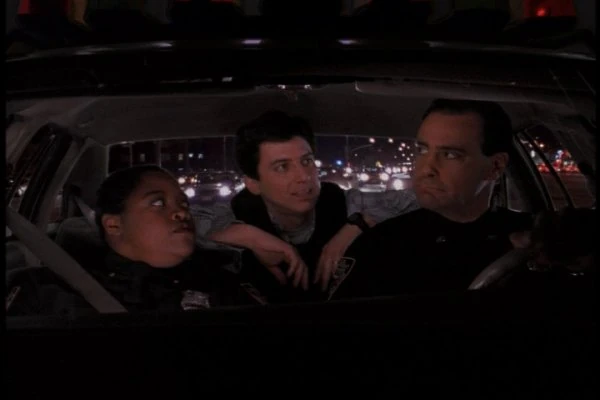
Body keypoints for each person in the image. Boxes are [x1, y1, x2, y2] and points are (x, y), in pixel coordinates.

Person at [197, 111, 418, 304]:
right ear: (254, 183)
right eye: (282, 167)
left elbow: (422, 200)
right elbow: (184, 226)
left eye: (307, 161)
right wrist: (250, 237)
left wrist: (358, 224)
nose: (304, 176)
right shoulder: (237, 212)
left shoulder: (341, 202)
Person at [331, 99, 538, 299]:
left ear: (495, 166)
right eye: (422, 150)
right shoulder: (379, 245)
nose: (426, 169)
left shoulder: (536, 238)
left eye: (450, 155)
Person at [89, 165, 262, 311]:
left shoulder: (221, 278)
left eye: (183, 203)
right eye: (158, 203)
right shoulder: (89, 297)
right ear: (113, 225)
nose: (182, 212)